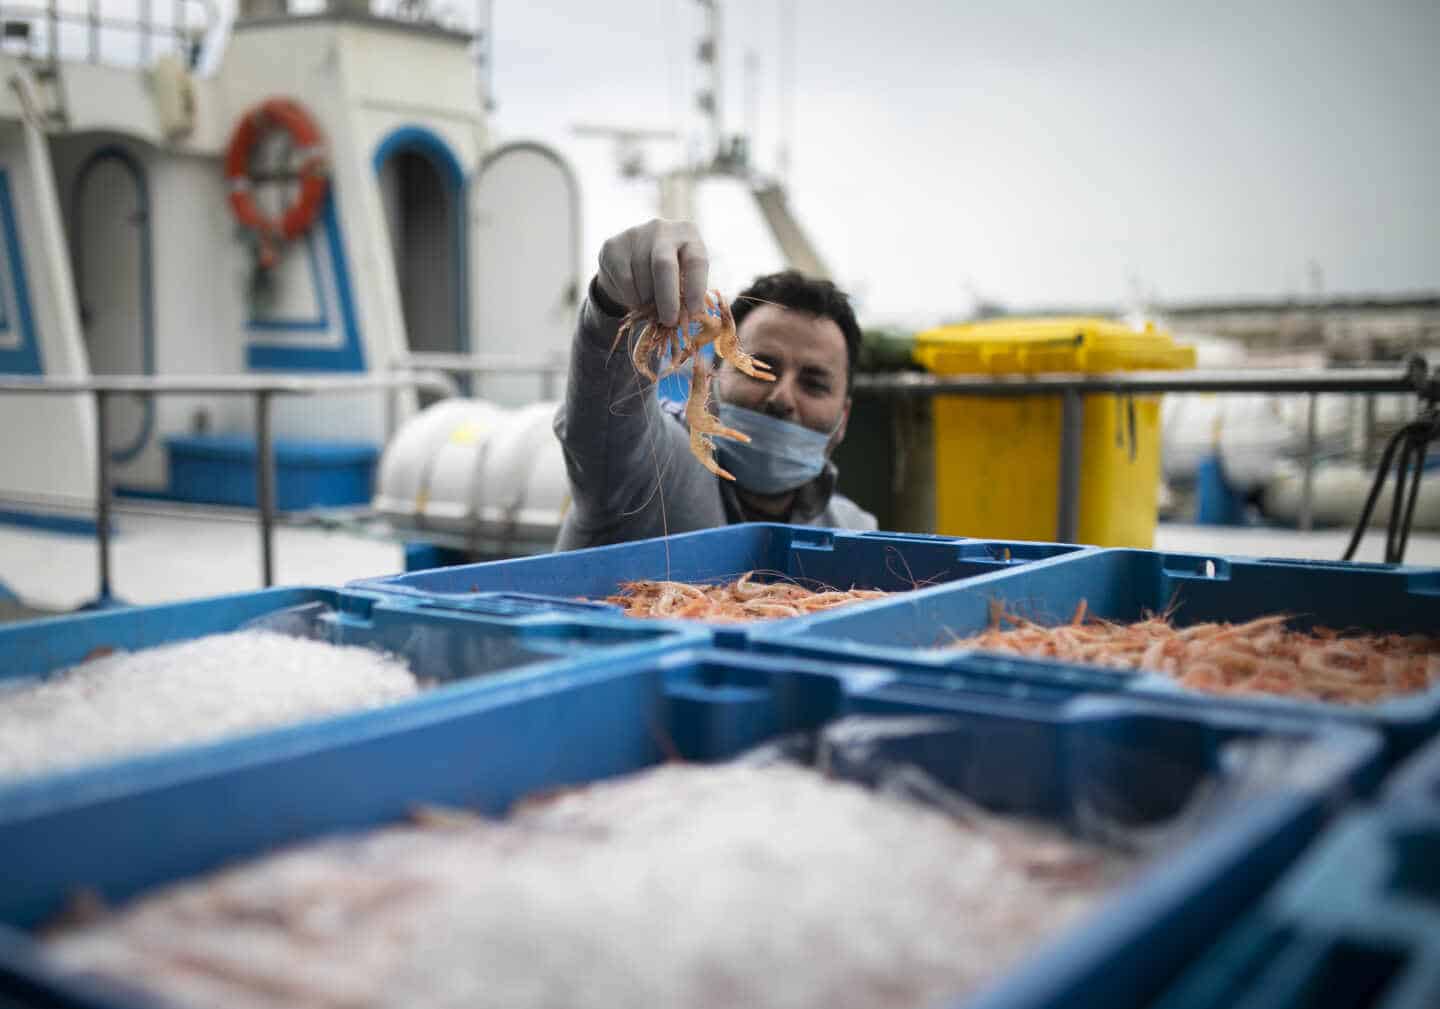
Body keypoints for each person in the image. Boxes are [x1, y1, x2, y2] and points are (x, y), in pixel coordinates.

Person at [553, 218, 878, 551]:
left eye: (814, 384)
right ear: (711, 382)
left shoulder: (852, 532)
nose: (782, 397)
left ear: (843, 420)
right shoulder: (650, 470)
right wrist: (613, 303)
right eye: (757, 368)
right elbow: (604, 426)